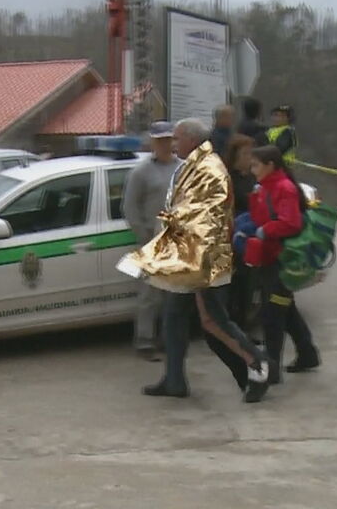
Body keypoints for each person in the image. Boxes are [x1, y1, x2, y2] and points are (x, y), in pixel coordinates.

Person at [137, 118, 271, 403]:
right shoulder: (194, 165)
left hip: (202, 259)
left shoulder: (207, 169)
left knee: (214, 321)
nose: (174, 145)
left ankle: (259, 362)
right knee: (173, 318)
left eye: (177, 139)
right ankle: (174, 379)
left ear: (191, 140)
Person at [244, 145, 320, 384]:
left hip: (282, 261)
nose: (252, 170)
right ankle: (307, 354)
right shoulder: (265, 188)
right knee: (285, 310)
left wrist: (265, 230)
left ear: (270, 166)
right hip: (269, 259)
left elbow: (290, 223)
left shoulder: (283, 188)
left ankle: (271, 368)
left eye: (256, 165)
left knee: (273, 315)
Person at [123, 121, 182, 359]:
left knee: (174, 294)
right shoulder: (141, 172)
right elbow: (130, 207)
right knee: (149, 294)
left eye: (168, 139)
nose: (164, 144)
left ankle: (170, 338)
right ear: (152, 142)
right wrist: (144, 236)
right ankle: (145, 340)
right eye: (160, 140)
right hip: (151, 240)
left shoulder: (184, 168)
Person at [224, 134, 257, 329]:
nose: (249, 157)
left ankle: (244, 325)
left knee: (248, 286)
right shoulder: (229, 178)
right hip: (234, 234)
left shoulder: (253, 176)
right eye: (245, 154)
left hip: (251, 236)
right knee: (234, 286)